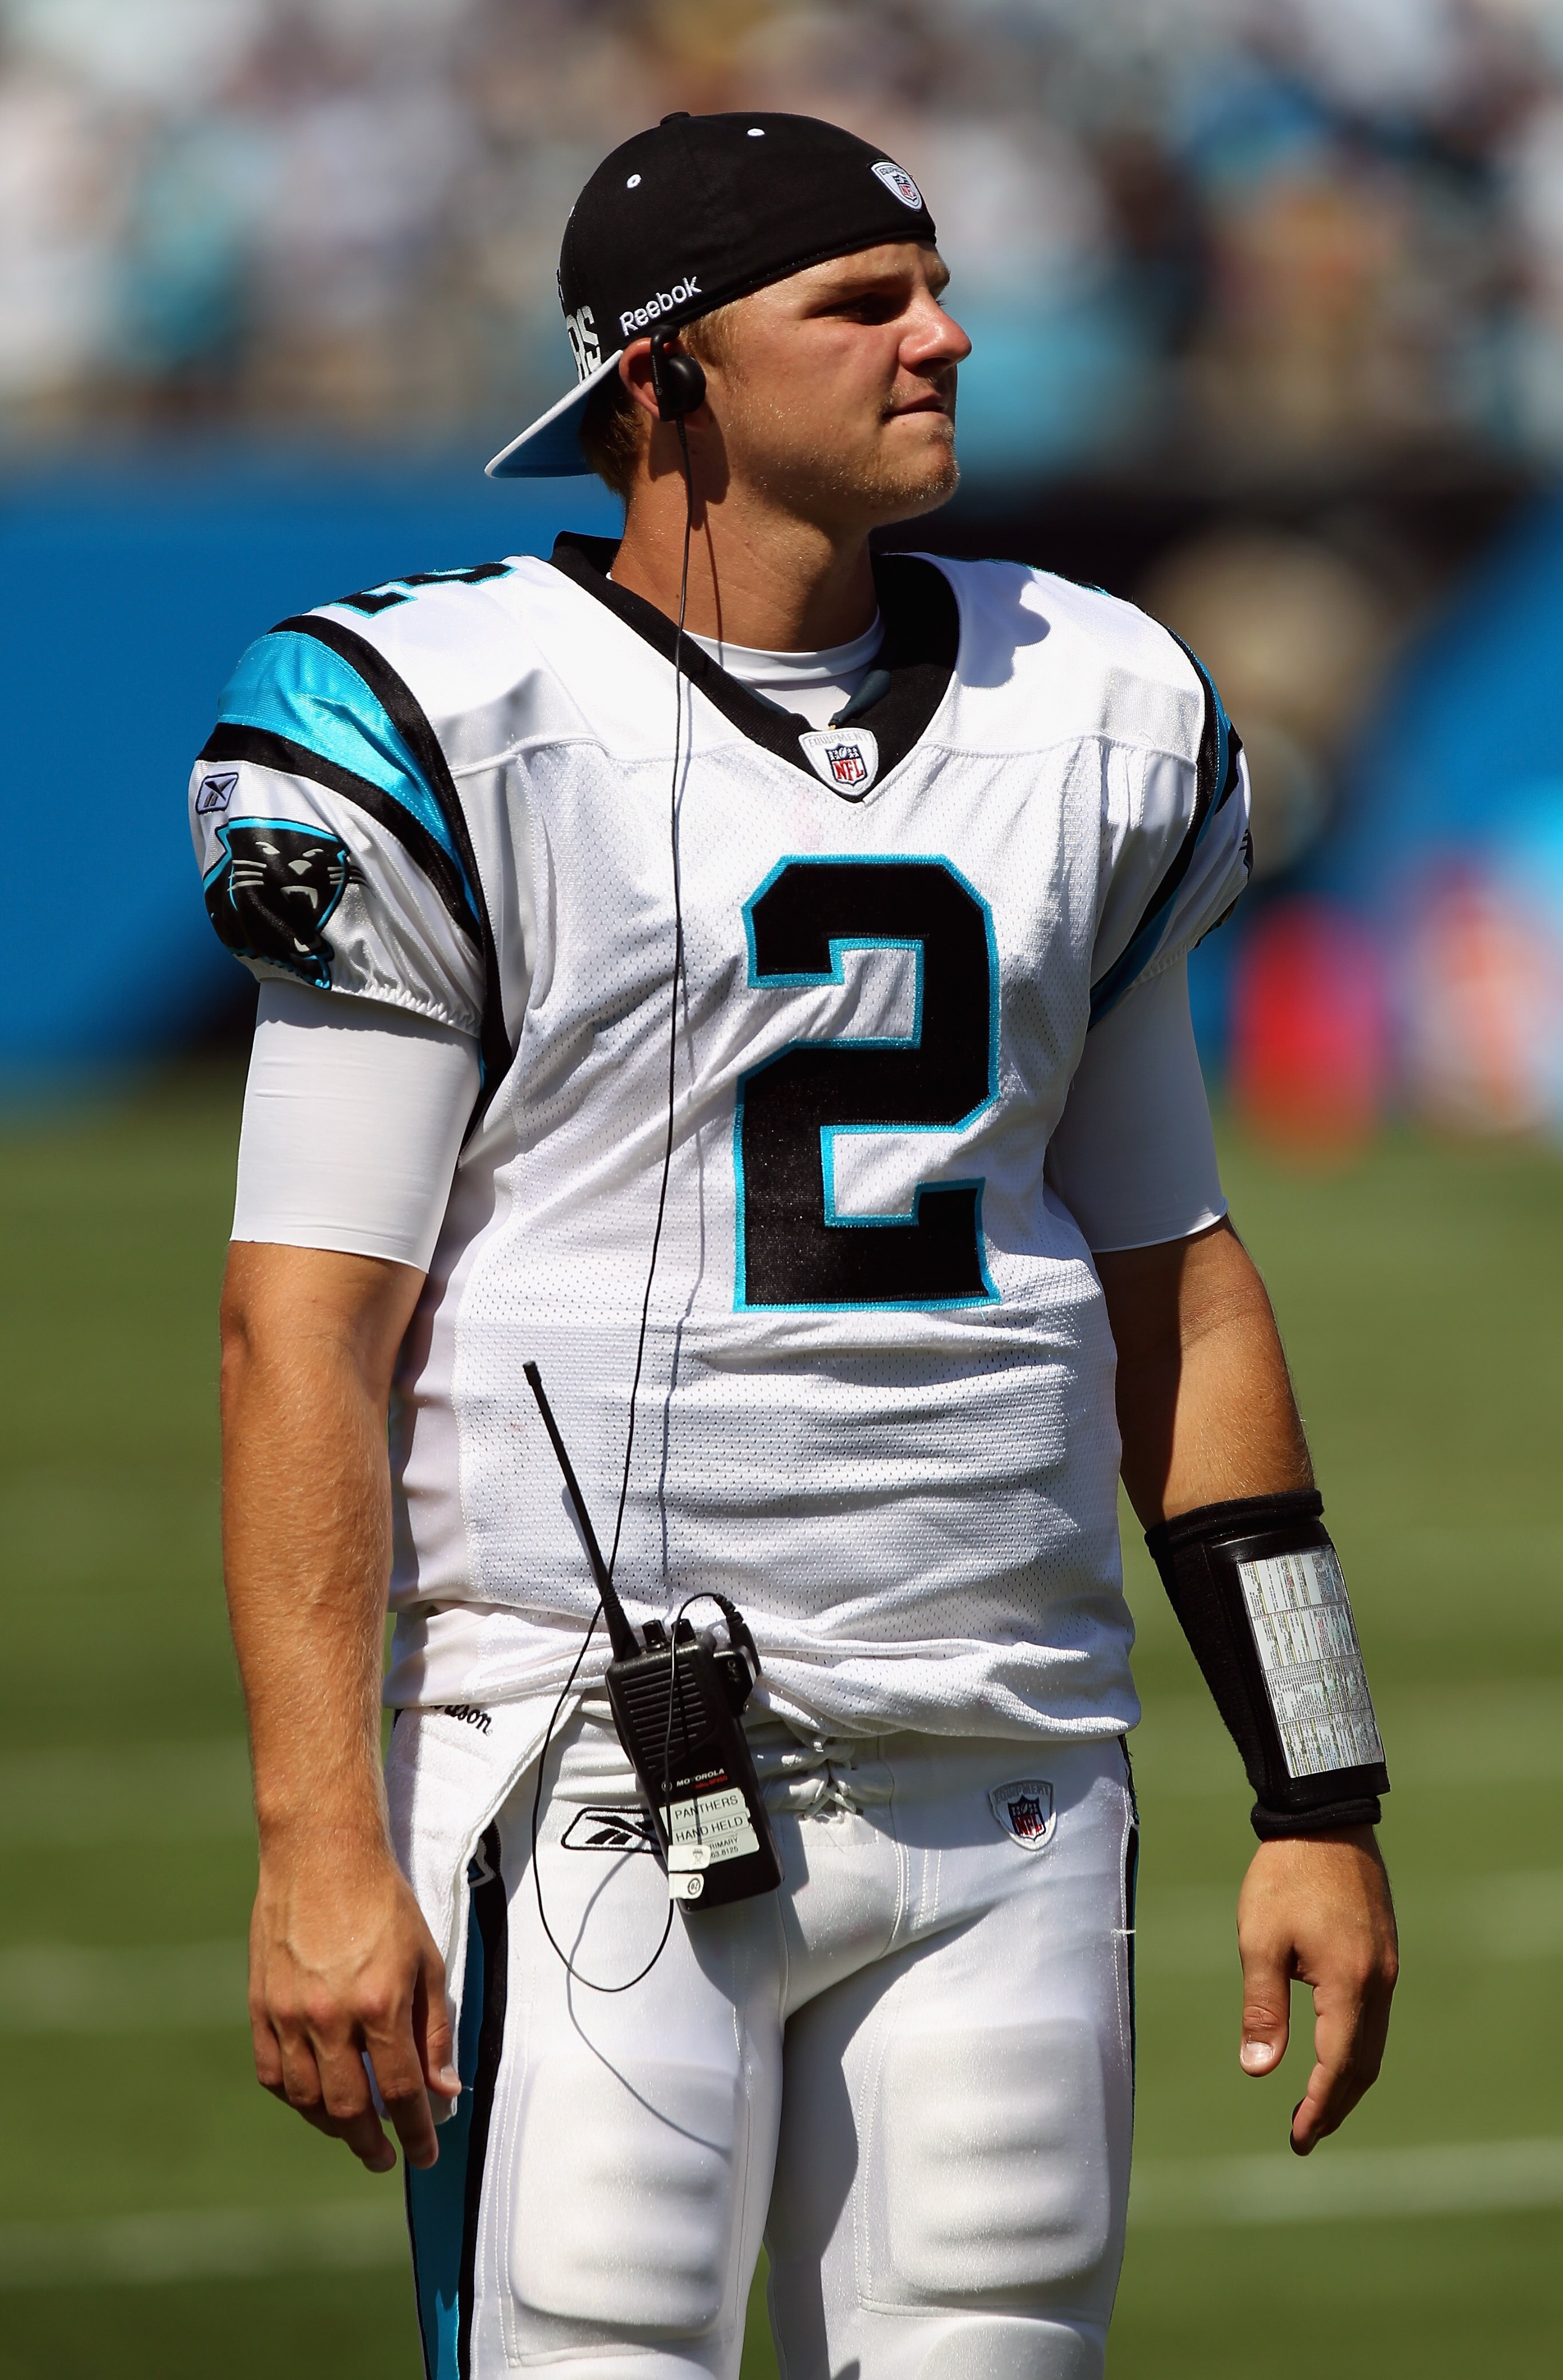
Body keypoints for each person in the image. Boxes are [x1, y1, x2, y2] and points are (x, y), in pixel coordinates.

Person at [194, 111, 1397, 2380]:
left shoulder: (1099, 709)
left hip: (1007, 1761)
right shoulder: (451, 718)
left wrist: (1313, 1788)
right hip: (584, 1766)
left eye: (931, 284)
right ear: (656, 383)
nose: (938, 336)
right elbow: (299, 1331)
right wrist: (315, 1835)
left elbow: (1178, 1279)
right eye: (853, 306)